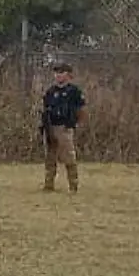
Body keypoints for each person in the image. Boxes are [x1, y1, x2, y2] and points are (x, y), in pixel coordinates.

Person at [40, 62, 86, 192]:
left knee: (69, 158)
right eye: (56, 73)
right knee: (50, 157)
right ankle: (48, 185)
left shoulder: (74, 91)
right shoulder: (50, 92)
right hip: (51, 127)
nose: (58, 75)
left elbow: (81, 109)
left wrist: (75, 124)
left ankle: (73, 185)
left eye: (61, 72)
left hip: (65, 127)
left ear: (68, 74)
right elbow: (45, 109)